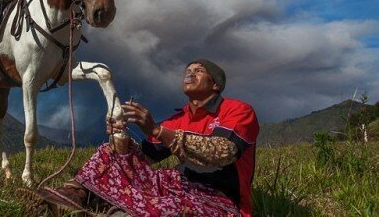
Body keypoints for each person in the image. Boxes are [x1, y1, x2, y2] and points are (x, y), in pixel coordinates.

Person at [27, 59, 259, 217]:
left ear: (215, 84)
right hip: (178, 186)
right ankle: (70, 197)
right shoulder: (179, 118)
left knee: (162, 208)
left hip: (219, 200)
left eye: (199, 70)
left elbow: (222, 153)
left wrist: (158, 131)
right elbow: (144, 158)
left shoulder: (237, 110)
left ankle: (112, 208)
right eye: (188, 70)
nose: (190, 72)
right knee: (111, 153)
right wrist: (121, 138)